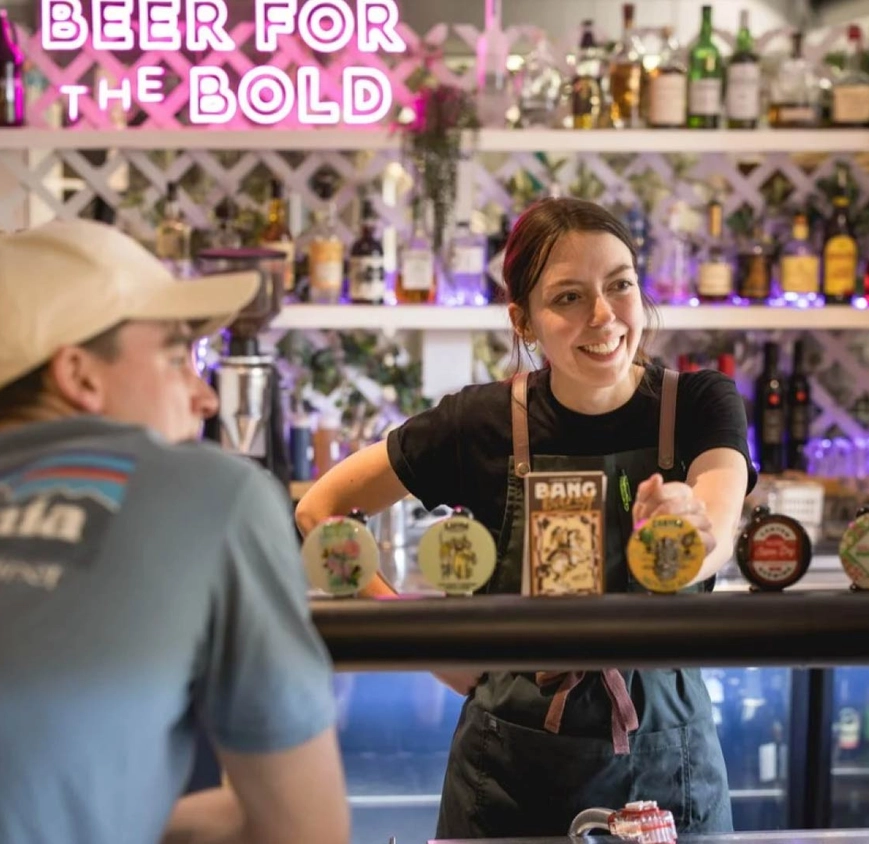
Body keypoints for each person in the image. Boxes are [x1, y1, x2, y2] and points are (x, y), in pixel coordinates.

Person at [297, 197, 756, 838]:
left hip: (668, 769)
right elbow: (321, 510)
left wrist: (684, 527)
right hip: (507, 776)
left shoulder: (701, 405)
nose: (603, 316)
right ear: (525, 320)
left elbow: (717, 523)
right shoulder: (479, 422)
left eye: (619, 285)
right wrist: (425, 647)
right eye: (568, 297)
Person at [0, 221, 349, 844]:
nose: (206, 399)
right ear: (80, 376)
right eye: (175, 359)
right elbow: (308, 833)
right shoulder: (214, 493)